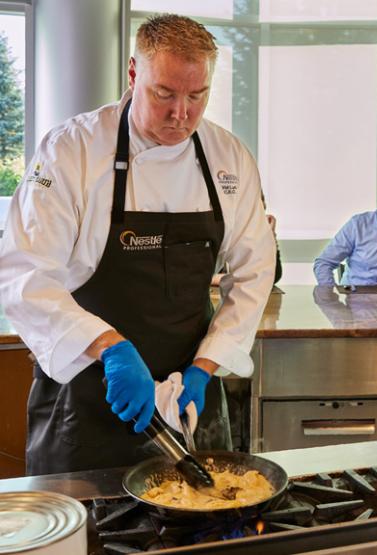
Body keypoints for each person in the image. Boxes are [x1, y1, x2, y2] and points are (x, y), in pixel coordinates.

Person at [0, 14, 276, 474]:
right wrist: (110, 348)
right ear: (133, 74)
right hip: (88, 394)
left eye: (197, 96)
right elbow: (23, 274)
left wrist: (206, 365)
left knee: (198, 533)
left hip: (188, 395)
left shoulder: (229, 158)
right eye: (164, 93)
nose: (180, 113)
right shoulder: (72, 151)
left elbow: (255, 269)